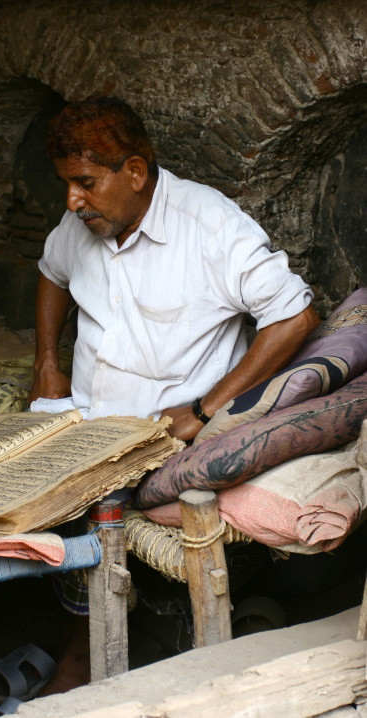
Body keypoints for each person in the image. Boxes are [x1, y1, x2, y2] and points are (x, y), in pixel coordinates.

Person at [28, 96, 320, 694]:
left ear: (134, 172)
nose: (71, 201)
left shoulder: (208, 226)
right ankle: (67, 640)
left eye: (83, 184)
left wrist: (206, 408)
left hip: (155, 438)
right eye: (67, 185)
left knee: (86, 504)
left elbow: (295, 317)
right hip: (81, 418)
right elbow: (51, 273)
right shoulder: (85, 221)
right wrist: (45, 362)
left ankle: (79, 662)